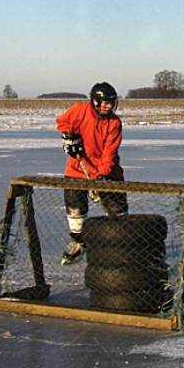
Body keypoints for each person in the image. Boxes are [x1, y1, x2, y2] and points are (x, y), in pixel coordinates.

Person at [56, 82, 127, 265]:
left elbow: (109, 153)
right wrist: (69, 137)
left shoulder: (114, 123)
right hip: (77, 169)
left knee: (117, 213)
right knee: (75, 209)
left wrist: (101, 177)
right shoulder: (79, 111)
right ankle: (79, 243)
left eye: (111, 103)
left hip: (108, 172)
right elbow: (62, 122)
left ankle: (120, 248)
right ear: (94, 102)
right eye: (105, 103)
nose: (109, 106)